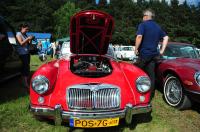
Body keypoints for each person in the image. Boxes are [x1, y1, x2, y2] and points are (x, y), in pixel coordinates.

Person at [134, 9, 169, 99]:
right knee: (151, 75)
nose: (142, 18)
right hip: (154, 55)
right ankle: (150, 95)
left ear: (146, 16)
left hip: (144, 54)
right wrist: (161, 51)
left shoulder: (143, 25)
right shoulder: (158, 27)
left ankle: (134, 93)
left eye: (143, 16)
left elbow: (139, 36)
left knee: (135, 73)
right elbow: (166, 37)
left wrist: (136, 49)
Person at [16, 23, 34, 89]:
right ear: (22, 28)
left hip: (26, 52)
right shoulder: (18, 34)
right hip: (22, 53)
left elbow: (29, 44)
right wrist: (28, 38)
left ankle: (24, 81)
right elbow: (21, 43)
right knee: (25, 68)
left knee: (27, 67)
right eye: (26, 29)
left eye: (28, 29)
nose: (27, 31)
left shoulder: (25, 35)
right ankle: (25, 83)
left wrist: (30, 39)